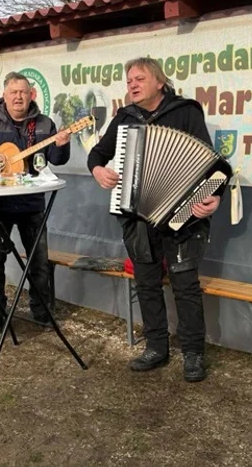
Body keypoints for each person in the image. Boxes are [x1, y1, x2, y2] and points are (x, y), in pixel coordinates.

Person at [87, 57, 223, 381]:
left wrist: (214, 197)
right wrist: (98, 170)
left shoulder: (186, 112)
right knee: (146, 283)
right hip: (138, 215)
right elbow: (97, 153)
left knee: (185, 285)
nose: (132, 85)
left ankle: (193, 353)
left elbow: (211, 165)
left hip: (182, 215)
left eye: (139, 79)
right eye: (129, 80)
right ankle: (156, 348)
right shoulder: (124, 118)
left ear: (159, 82)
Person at [0, 71, 71, 332]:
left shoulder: (43, 124)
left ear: (31, 95)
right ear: (4, 96)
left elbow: (57, 159)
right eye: (13, 92)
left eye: (23, 92)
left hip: (32, 204)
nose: (19, 97)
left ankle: (40, 311)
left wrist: (62, 144)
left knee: (38, 261)